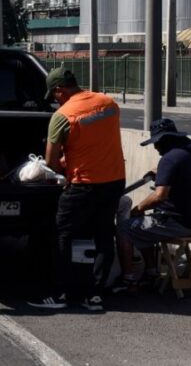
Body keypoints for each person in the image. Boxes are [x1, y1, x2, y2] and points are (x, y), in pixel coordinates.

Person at [30, 67, 126, 311]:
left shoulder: (62, 116)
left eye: (53, 95)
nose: (54, 100)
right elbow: (98, 141)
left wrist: (63, 164)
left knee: (63, 235)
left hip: (83, 185)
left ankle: (61, 293)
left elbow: (51, 161)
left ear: (60, 90)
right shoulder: (109, 104)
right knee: (104, 235)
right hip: (114, 181)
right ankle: (94, 295)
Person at [115, 118, 191, 291]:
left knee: (124, 228)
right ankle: (150, 273)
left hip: (172, 222)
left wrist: (138, 208)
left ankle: (128, 280)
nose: (155, 147)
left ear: (164, 140)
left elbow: (159, 196)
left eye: (156, 143)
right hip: (190, 221)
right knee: (142, 225)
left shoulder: (169, 159)